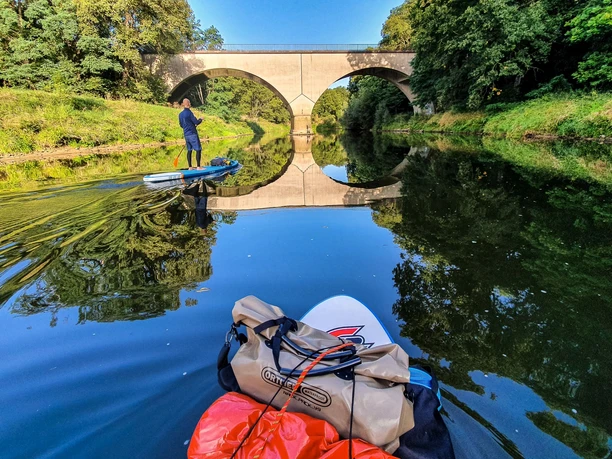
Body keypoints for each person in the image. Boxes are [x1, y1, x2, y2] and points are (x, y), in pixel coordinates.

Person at [179, 98, 204, 170]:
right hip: (192, 134)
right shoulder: (189, 113)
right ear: (188, 104)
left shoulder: (180, 114)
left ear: (183, 104)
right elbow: (196, 122)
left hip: (186, 135)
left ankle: (190, 167)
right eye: (189, 103)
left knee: (189, 150)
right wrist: (201, 119)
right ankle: (198, 167)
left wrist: (189, 126)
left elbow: (181, 125)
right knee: (198, 149)